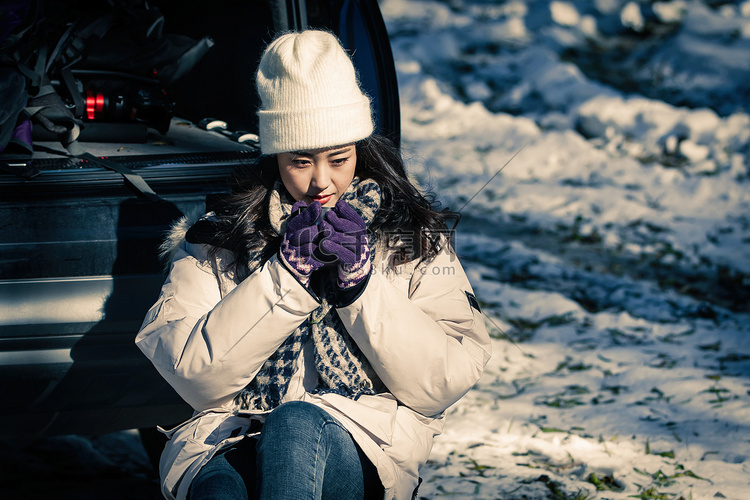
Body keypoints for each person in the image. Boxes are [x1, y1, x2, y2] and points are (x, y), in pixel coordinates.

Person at [136, 29, 491, 500]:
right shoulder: (217, 237)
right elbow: (195, 378)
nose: (322, 182)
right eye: (301, 161)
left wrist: (360, 287)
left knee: (296, 424)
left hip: (364, 440)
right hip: (226, 436)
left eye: (339, 159)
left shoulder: (410, 235)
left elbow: (443, 382)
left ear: (360, 149)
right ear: (275, 157)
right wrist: (285, 278)